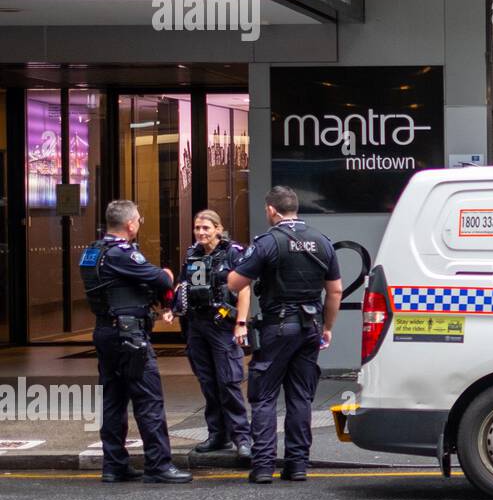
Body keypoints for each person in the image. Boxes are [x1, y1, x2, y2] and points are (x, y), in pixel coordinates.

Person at [227, 186, 342, 484]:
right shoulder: (322, 241)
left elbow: (235, 283)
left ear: (271, 210)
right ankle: (297, 465)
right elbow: (335, 290)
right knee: (300, 396)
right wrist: (327, 327)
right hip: (310, 327)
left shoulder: (268, 243)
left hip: (277, 328)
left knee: (264, 396)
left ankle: (264, 466)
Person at [79, 200, 192, 484]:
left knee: (113, 399)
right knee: (148, 399)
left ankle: (114, 465)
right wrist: (166, 275)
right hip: (129, 336)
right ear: (130, 224)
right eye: (139, 220)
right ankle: (158, 465)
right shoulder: (122, 253)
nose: (139, 224)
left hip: (105, 331)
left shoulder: (92, 251)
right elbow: (161, 280)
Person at [165, 209, 252, 461]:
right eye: (197, 228)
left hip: (223, 325)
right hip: (197, 325)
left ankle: (242, 439)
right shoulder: (193, 254)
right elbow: (182, 285)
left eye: (206, 228)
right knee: (208, 382)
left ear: (217, 228)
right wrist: (173, 310)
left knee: (228, 381)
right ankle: (217, 435)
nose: (201, 232)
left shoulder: (233, 252)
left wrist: (241, 323)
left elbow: (244, 290)